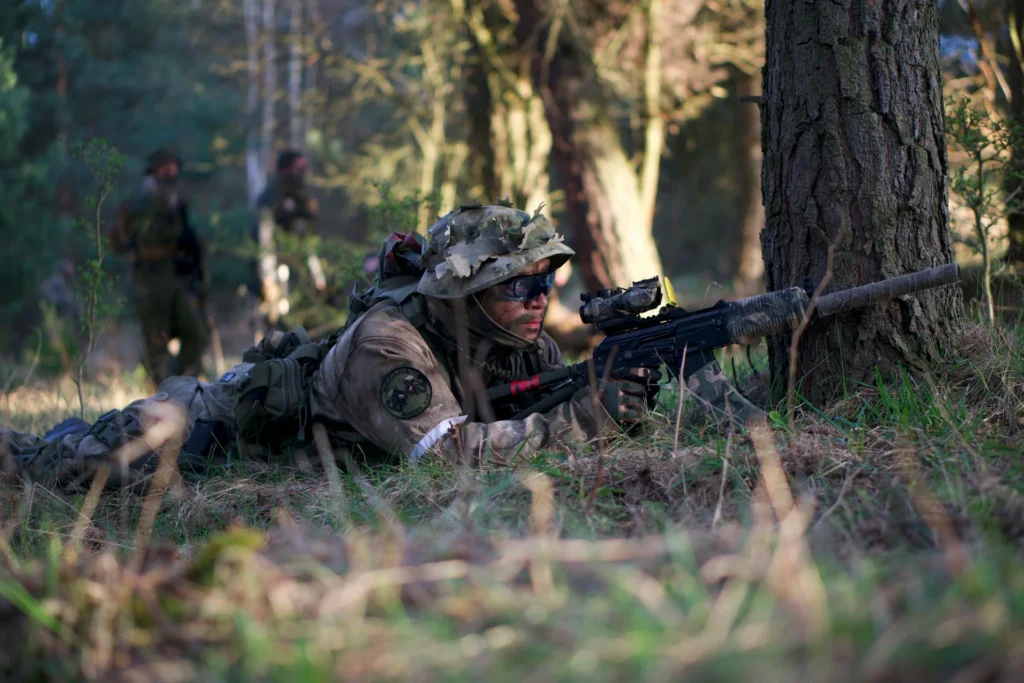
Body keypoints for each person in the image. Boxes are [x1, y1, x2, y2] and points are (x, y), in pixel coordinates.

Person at [2, 203, 762, 488]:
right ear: (466, 293)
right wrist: (583, 420)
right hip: (212, 427)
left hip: (297, 446)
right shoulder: (388, 341)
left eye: (546, 282)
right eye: (520, 286)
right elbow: (453, 457)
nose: (541, 302)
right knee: (59, 463)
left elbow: (533, 410)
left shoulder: (513, 337)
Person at [110, 148, 209, 384]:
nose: (172, 171)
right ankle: (160, 391)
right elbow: (146, 240)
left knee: (196, 334)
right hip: (151, 284)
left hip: (173, 280)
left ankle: (175, 380)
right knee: (157, 345)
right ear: (155, 169)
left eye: (174, 166)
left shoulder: (169, 196)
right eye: (167, 166)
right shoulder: (145, 199)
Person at [251, 149, 325, 333]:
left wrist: (317, 275)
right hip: (278, 270)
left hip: (302, 272)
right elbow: (265, 239)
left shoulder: (304, 199)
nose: (302, 172)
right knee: (279, 325)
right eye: (297, 168)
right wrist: (268, 277)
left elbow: (308, 240)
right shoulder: (270, 199)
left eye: (304, 168)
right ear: (284, 170)